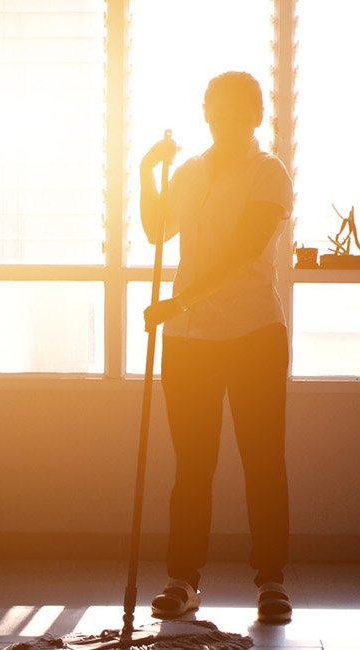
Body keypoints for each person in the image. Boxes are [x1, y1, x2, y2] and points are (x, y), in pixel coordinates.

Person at [137, 71, 295, 625]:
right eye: (214, 109)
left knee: (262, 461)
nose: (222, 118)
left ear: (255, 114)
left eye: (234, 110)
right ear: (205, 112)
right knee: (193, 466)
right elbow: (159, 231)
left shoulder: (268, 173)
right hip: (190, 342)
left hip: (254, 333)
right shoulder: (190, 172)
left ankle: (271, 581)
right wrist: (145, 173)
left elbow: (242, 254)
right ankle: (183, 581)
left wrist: (179, 303)